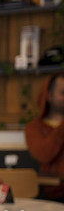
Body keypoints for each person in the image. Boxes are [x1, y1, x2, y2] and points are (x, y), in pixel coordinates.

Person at [24, 73, 64, 201]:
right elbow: (44, 155)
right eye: (63, 93)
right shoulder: (34, 128)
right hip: (50, 195)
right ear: (49, 96)